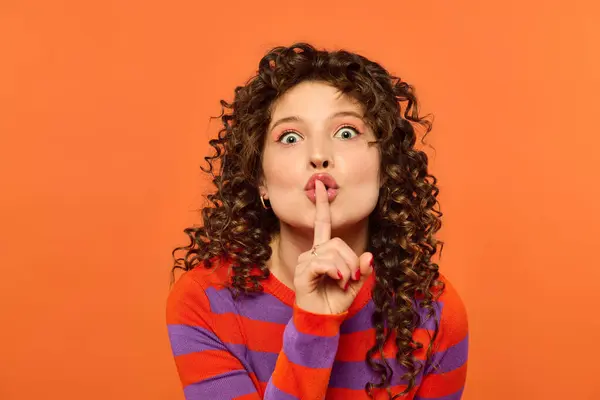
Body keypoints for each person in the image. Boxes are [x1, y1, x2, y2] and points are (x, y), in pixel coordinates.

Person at [166, 42, 468, 400]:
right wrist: (313, 324)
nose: (319, 156)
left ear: (386, 168)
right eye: (290, 137)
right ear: (260, 180)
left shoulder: (434, 310)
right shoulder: (205, 300)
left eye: (346, 132)